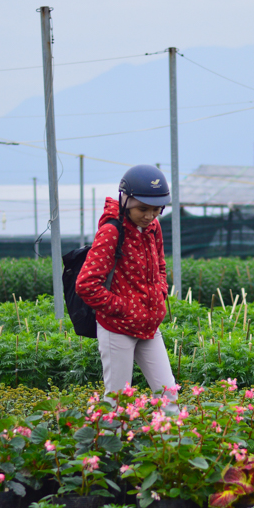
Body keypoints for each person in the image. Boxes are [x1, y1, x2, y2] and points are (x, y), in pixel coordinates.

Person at [75, 165, 178, 407]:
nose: (149, 215)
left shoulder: (153, 228)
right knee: (117, 402)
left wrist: (160, 293)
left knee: (168, 393)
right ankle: (109, 443)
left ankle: (170, 444)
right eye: (143, 208)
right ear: (126, 199)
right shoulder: (111, 231)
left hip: (149, 325)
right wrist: (125, 308)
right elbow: (86, 284)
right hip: (117, 327)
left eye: (156, 209)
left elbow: (161, 265)